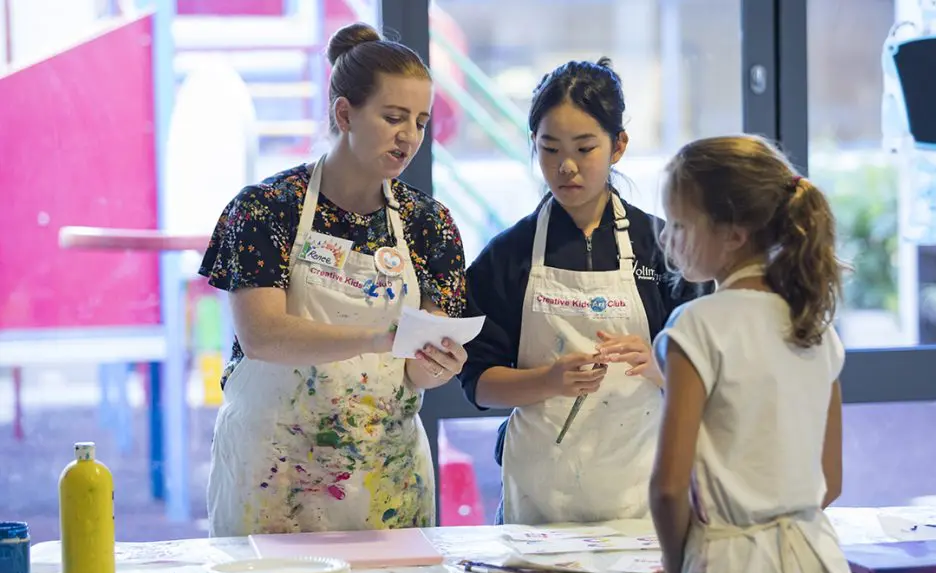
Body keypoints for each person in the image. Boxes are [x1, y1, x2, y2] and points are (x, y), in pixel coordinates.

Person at [199, 23, 469, 537]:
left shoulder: (429, 224)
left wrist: (440, 364)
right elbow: (263, 337)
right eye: (393, 118)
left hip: (384, 480)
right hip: (273, 475)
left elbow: (417, 372)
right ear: (345, 113)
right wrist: (379, 338)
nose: (409, 136)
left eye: (420, 121)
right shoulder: (264, 210)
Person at [458, 58, 713, 526]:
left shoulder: (664, 248)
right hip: (538, 492)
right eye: (549, 149)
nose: (566, 167)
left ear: (618, 147)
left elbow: (712, 380)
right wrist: (547, 381)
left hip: (642, 486)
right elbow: (477, 382)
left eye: (584, 148)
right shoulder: (508, 255)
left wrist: (660, 366)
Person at [628, 135, 854, 573]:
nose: (667, 239)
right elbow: (829, 480)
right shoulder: (814, 324)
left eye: (680, 224)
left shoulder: (697, 325)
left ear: (733, 234)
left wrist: (675, 566)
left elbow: (668, 488)